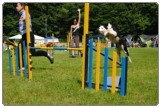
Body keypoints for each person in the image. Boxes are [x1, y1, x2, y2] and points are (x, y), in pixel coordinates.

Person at [16, 3, 53, 69]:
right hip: (24, 35)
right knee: (19, 48)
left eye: (17, 6)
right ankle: (21, 67)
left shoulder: (25, 13)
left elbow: (27, 18)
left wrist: (24, 19)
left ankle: (46, 54)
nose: (16, 7)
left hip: (29, 35)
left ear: (22, 6)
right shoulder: (21, 14)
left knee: (32, 52)